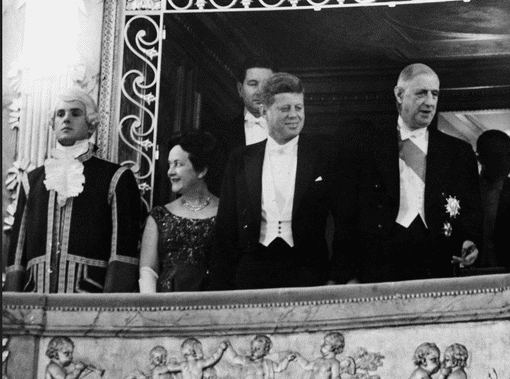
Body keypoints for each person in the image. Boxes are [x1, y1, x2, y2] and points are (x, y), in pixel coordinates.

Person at [330, 63, 481, 284]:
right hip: (380, 264)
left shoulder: (458, 152)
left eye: (435, 94)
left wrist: (470, 241)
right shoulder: (366, 147)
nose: (430, 102)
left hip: (437, 263)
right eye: (421, 93)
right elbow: (348, 217)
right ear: (399, 94)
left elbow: (471, 210)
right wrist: (345, 273)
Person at [6, 88, 142, 293]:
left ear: (90, 125)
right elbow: (17, 255)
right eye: (60, 114)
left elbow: (123, 251)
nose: (66, 119)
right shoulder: (31, 181)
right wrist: (13, 305)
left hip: (91, 300)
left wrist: (112, 308)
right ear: (53, 123)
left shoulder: (115, 177)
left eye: (75, 113)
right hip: (34, 300)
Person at [214, 72, 331, 289]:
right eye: (285, 109)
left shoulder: (322, 155)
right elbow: (226, 225)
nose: (294, 115)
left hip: (309, 271)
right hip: (252, 271)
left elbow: (339, 219)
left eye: (299, 107)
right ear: (264, 112)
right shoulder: (240, 159)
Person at [138, 130, 222, 293]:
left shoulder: (226, 212)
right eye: (170, 164)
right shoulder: (159, 216)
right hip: (167, 310)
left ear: (201, 170)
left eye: (178, 164)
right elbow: (148, 272)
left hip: (213, 307)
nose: (170, 172)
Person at [201, 55, 275, 163]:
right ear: (240, 89)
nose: (260, 91)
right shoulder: (222, 135)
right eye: (253, 84)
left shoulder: (291, 131)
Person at [475, 130, 510, 272]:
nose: (506, 161)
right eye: (498, 155)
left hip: (508, 270)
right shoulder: (466, 191)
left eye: (509, 155)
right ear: (481, 158)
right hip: (470, 270)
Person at [225, 335, 296, 379]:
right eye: (254, 348)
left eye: (258, 349)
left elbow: (279, 368)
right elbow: (234, 357)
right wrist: (228, 347)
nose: (255, 350)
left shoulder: (268, 363)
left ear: (266, 351)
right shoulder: (245, 360)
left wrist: (287, 359)